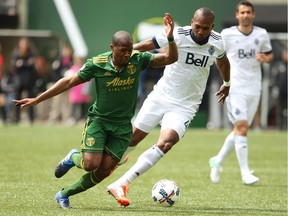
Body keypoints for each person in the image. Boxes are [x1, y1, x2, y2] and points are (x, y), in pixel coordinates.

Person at [13, 13, 178, 209]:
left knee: (104, 171)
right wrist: (38, 99)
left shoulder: (138, 59)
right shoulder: (97, 64)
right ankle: (74, 157)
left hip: (123, 127)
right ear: (112, 48)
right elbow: (68, 82)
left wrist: (170, 37)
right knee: (91, 164)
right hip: (99, 121)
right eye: (123, 50)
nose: (127, 54)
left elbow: (170, 58)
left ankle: (64, 194)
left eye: (129, 49)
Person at [107, 7, 230, 207]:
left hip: (186, 105)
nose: (200, 31)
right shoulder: (178, 34)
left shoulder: (218, 41)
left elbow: (223, 61)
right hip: (161, 96)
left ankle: (122, 183)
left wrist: (227, 83)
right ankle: (101, 162)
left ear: (212, 28)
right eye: (197, 26)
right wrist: (124, 52)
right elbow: (149, 43)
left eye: (205, 28)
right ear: (192, 22)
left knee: (166, 142)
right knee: (132, 139)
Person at [209, 1, 273, 185]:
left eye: (248, 12)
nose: (245, 15)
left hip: (254, 87)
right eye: (242, 12)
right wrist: (225, 80)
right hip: (235, 87)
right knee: (242, 128)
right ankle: (245, 173)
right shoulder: (227, 34)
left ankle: (217, 161)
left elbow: (269, 55)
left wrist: (265, 58)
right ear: (237, 15)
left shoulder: (261, 34)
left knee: (240, 130)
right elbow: (217, 56)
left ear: (253, 15)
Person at [11, 37, 38, 124]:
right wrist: (26, 63)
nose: (24, 45)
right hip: (19, 81)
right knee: (17, 101)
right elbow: (14, 66)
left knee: (31, 100)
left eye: (26, 43)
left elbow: (31, 64)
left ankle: (31, 119)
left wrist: (22, 63)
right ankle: (16, 119)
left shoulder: (31, 53)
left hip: (29, 81)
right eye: (23, 43)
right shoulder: (16, 53)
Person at [47, 44, 73, 125]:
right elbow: (54, 71)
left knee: (67, 102)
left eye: (68, 51)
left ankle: (66, 118)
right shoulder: (58, 60)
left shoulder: (71, 60)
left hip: (67, 84)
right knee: (56, 102)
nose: (66, 52)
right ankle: (53, 118)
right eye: (65, 50)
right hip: (58, 84)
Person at [65, 55, 91, 126]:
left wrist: (86, 89)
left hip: (83, 91)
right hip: (75, 90)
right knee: (74, 105)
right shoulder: (72, 69)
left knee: (83, 105)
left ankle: (82, 118)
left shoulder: (85, 68)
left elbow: (89, 80)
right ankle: (72, 118)